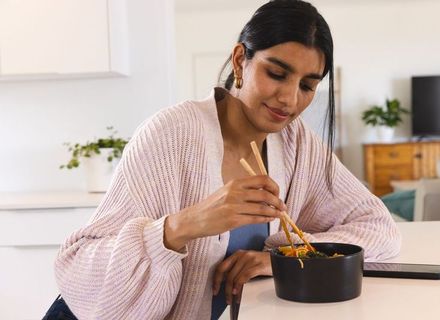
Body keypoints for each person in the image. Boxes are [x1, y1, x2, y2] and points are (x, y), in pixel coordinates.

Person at [54, 1, 401, 319]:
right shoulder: (170, 134)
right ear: (239, 61)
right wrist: (182, 226)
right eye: (277, 74)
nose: (289, 99)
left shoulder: (296, 143)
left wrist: (280, 259)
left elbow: (379, 230)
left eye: (308, 86)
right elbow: (81, 265)